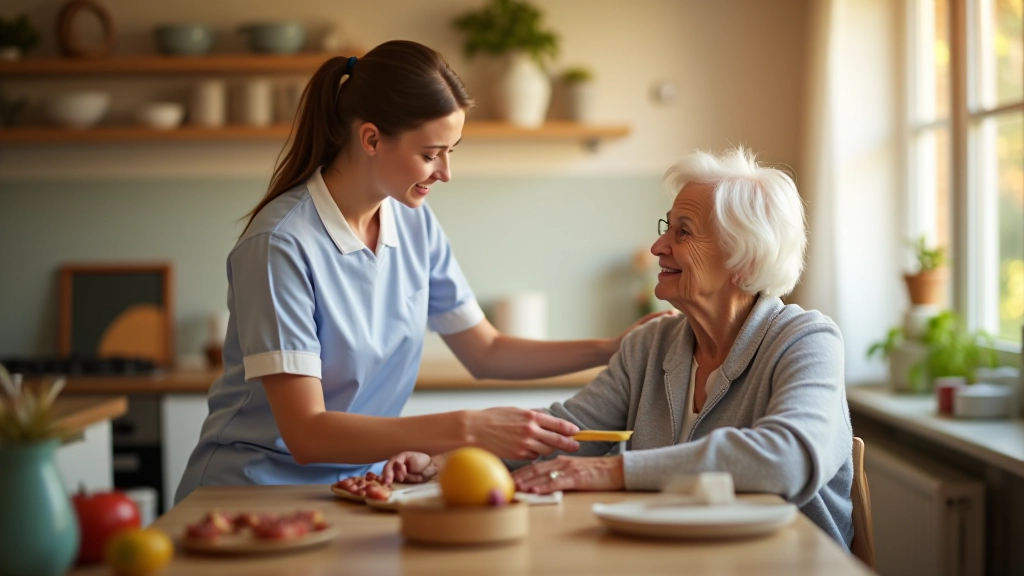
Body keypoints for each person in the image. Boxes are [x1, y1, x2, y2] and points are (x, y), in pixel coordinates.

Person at [175, 40, 666, 504]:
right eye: (431, 154)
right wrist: (468, 429)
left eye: (452, 151)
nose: (445, 172)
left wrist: (610, 348)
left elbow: (486, 351)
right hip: (250, 490)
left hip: (355, 489)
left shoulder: (413, 222)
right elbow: (306, 434)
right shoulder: (280, 244)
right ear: (371, 138)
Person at [384, 147, 855, 549]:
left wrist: (614, 472)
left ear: (743, 257)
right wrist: (443, 466)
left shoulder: (806, 341)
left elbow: (786, 459)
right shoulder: (651, 345)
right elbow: (565, 433)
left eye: (683, 232)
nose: (658, 246)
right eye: (666, 227)